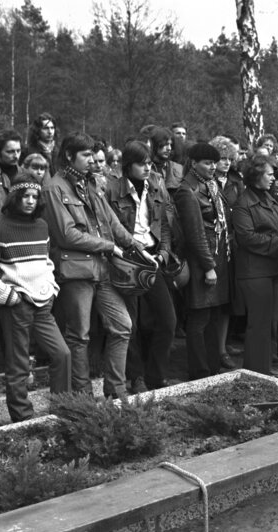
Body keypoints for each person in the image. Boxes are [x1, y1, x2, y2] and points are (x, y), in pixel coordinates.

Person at [43, 132, 152, 400]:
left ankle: (116, 390)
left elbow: (112, 222)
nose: (92, 159)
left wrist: (137, 249)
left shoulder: (90, 184)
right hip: (76, 271)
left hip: (104, 269)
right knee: (79, 335)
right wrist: (108, 247)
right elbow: (66, 235)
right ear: (69, 156)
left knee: (122, 325)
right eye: (86, 155)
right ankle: (83, 397)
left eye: (94, 154)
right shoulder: (53, 188)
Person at [0, 174, 71, 422]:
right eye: (25, 196)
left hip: (43, 304)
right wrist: (8, 296)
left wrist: (52, 287)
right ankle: (23, 421)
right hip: (16, 305)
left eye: (34, 196)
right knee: (18, 365)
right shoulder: (0, 229)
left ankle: (60, 410)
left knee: (62, 354)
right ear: (15, 197)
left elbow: (46, 261)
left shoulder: (41, 226)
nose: (30, 201)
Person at [106, 140, 175, 390]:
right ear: (127, 165)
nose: (147, 168)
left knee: (168, 320)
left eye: (149, 163)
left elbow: (164, 223)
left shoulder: (155, 185)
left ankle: (156, 375)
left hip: (153, 257)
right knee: (131, 322)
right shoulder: (112, 189)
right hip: (127, 258)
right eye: (141, 164)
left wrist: (164, 252)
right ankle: (136, 377)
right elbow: (110, 227)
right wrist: (127, 252)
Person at [174, 143, 236, 378]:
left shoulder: (210, 185)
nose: (213, 167)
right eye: (208, 163)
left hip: (218, 257)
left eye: (214, 162)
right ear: (194, 163)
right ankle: (199, 372)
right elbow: (195, 234)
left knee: (214, 316)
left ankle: (213, 369)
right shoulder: (187, 191)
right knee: (199, 318)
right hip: (202, 262)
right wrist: (209, 267)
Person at [233, 155, 278, 375]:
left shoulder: (270, 198)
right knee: (258, 324)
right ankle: (256, 371)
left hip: (273, 268)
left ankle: (263, 369)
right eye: (269, 174)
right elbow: (246, 237)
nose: (273, 178)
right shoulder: (243, 204)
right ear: (256, 175)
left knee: (270, 323)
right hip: (254, 271)